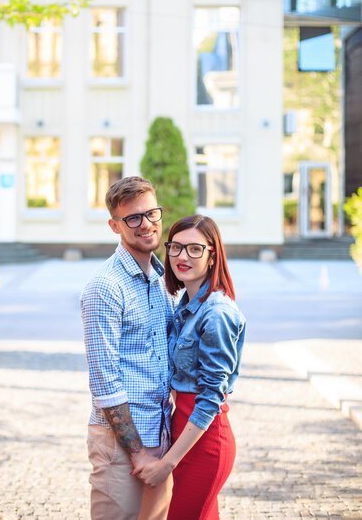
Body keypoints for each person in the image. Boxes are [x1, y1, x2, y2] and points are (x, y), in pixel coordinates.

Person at [133, 214, 246, 520]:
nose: (182, 257)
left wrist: (166, 463)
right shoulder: (185, 304)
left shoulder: (217, 313)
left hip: (206, 443)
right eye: (175, 248)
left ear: (212, 255)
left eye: (195, 249)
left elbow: (210, 398)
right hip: (184, 436)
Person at [80, 176, 173, 520]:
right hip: (122, 446)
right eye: (133, 218)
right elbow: (104, 382)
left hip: (160, 436)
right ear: (114, 225)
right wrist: (138, 455)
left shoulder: (161, 279)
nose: (146, 224)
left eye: (151, 213)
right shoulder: (104, 287)